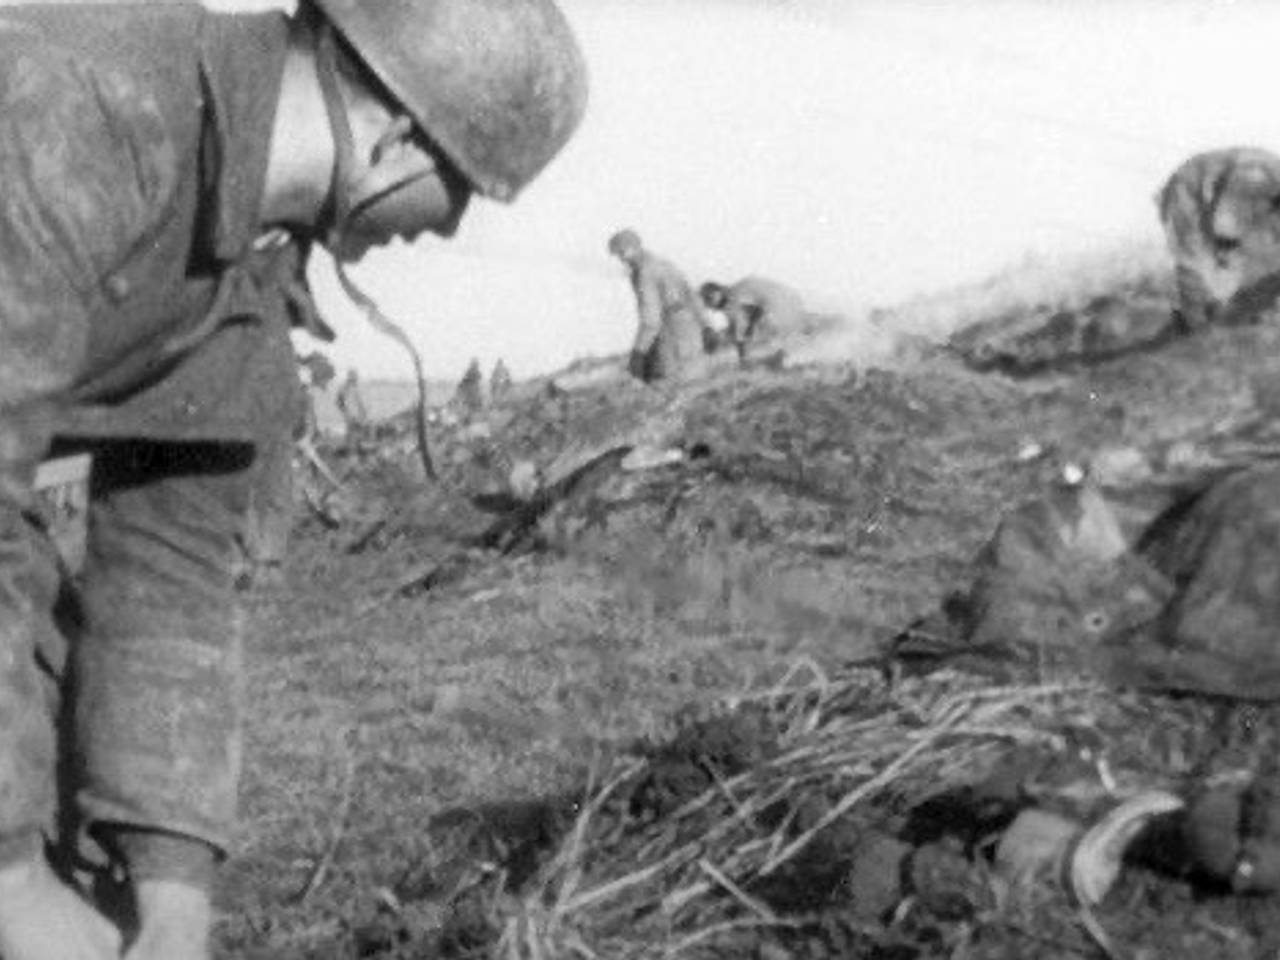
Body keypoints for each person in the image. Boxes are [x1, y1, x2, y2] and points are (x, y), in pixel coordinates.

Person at [0, 1, 587, 958]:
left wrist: (173, 898)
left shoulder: (248, 273)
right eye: (463, 189)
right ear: (397, 135)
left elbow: (167, 573)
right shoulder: (83, 110)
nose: (447, 232)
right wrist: (11, 883)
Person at [608, 229, 714, 384]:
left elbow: (651, 320)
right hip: (691, 330)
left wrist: (638, 353)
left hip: (671, 335)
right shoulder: (665, 264)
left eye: (622, 253)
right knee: (697, 387)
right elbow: (691, 296)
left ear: (634, 247)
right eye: (618, 255)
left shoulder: (644, 274)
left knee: (670, 387)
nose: (622, 259)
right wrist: (706, 326)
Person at [700, 275, 805, 361]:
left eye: (709, 299)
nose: (709, 305)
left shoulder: (734, 298)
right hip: (788, 307)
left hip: (779, 317)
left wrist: (742, 358)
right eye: (706, 302)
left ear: (719, 291)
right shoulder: (737, 293)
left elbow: (746, 319)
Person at [335, 368, 371, 443]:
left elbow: (360, 403)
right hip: (351, 415)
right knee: (352, 432)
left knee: (357, 432)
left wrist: (363, 413)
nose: (356, 378)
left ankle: (355, 445)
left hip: (356, 415)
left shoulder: (355, 387)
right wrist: (346, 412)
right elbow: (339, 402)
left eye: (355, 376)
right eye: (354, 376)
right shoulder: (344, 388)